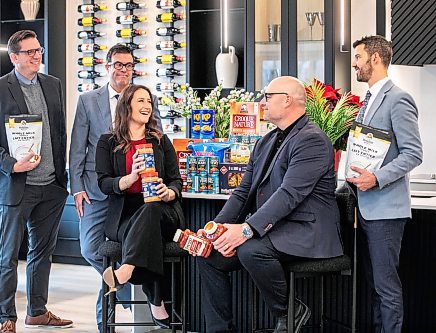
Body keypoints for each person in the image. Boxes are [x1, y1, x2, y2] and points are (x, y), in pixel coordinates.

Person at [196, 76, 343, 333]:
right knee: (208, 254)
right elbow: (243, 193)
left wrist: (245, 230)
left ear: (287, 100)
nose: (261, 102)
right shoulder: (266, 141)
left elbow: (289, 194)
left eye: (267, 96)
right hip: (277, 228)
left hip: (307, 231)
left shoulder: (313, 140)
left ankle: (288, 311)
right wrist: (215, 229)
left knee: (251, 249)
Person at [0, 30, 72, 333]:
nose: (36, 56)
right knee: (8, 255)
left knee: (42, 254)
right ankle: (7, 317)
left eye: (38, 50)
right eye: (29, 52)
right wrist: (10, 164)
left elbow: (58, 134)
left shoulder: (53, 85)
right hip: (15, 187)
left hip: (51, 187)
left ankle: (38, 311)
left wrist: (62, 177)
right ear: (14, 57)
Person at [69, 44, 161, 331]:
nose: (123, 70)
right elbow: (77, 148)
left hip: (133, 192)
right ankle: (124, 280)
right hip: (97, 191)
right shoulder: (88, 100)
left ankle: (104, 320)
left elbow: (155, 139)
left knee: (119, 249)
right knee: (90, 249)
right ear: (106, 66)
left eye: (128, 65)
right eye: (118, 65)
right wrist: (76, 188)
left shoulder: (145, 99)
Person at [347, 35, 423, 333]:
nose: (354, 62)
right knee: (376, 287)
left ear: (375, 59)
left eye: (358, 57)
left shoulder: (398, 98)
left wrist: (376, 178)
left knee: (386, 288)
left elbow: (413, 153)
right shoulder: (368, 100)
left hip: (386, 210)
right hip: (364, 209)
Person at [95, 84, 184, 329]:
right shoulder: (107, 142)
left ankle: (125, 270)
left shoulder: (160, 140)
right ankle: (156, 301)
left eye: (149, 102)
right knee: (148, 229)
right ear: (127, 106)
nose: (147, 106)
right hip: (124, 214)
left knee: (152, 207)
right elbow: (103, 183)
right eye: (141, 101)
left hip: (162, 209)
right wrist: (130, 178)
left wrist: (169, 192)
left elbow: (176, 180)